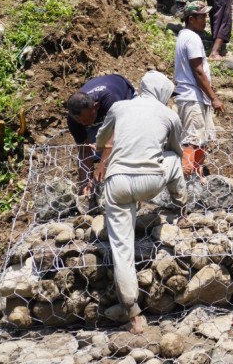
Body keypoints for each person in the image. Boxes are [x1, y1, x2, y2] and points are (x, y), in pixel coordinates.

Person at [92, 71, 189, 334]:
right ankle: (182, 205)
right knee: (172, 157)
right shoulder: (169, 115)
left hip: (118, 182)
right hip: (150, 182)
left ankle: (133, 314)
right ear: (162, 93)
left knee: (122, 247)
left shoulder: (119, 107)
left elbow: (101, 140)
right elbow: (175, 148)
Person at [174, 2, 225, 175]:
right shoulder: (192, 38)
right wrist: (214, 98)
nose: (205, 20)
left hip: (192, 96)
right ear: (191, 19)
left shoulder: (183, 36)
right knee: (192, 139)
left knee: (200, 139)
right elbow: (198, 71)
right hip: (192, 97)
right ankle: (186, 178)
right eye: (202, 17)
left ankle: (198, 175)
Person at [65, 74, 137, 195]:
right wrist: (85, 185)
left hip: (126, 97)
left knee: (128, 141)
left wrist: (101, 168)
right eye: (81, 122)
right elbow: (84, 151)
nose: (85, 124)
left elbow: (116, 135)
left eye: (87, 119)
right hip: (102, 113)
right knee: (96, 151)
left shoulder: (110, 99)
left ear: (96, 106)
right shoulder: (73, 119)